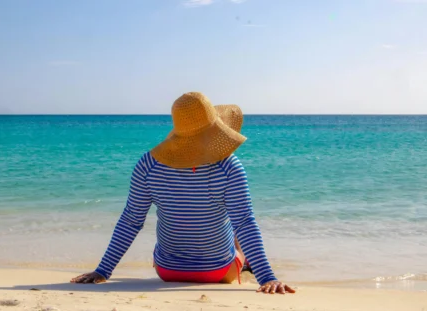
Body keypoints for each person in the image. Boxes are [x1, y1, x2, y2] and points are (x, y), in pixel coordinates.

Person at [71, 92, 295, 294]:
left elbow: (131, 221)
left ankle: (227, 260)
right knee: (236, 226)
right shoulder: (229, 167)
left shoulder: (148, 164)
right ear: (217, 130)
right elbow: (245, 223)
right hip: (218, 271)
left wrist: (102, 271)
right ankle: (248, 265)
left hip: (167, 271)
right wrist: (268, 278)